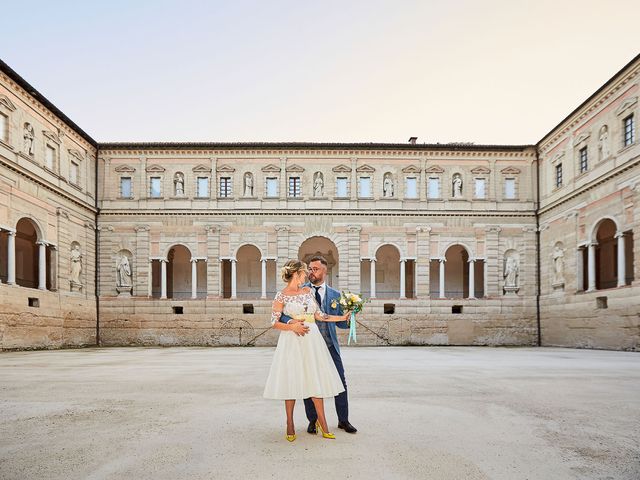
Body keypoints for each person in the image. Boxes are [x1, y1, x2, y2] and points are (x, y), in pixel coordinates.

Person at [263, 259, 348, 442]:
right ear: (296, 274)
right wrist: (292, 326)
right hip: (292, 341)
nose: (307, 275)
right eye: (304, 272)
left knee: (314, 379)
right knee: (291, 381)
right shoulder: (281, 296)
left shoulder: (308, 292)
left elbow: (320, 315)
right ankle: (290, 423)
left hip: (312, 341)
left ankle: (323, 423)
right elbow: (274, 322)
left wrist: (343, 316)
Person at [280, 255, 358, 434]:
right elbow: (282, 314)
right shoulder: (301, 290)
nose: (310, 272)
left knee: (340, 381)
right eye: (309, 269)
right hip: (307, 345)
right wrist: (292, 322)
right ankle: (313, 420)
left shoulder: (336, 295)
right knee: (309, 382)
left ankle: (343, 420)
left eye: (315, 269)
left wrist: (349, 319)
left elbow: (338, 323)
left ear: (325, 271)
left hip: (329, 346)